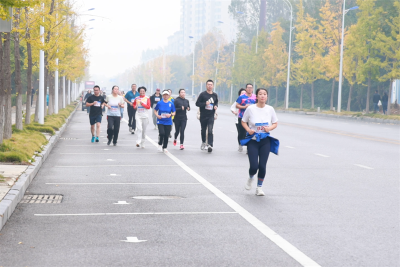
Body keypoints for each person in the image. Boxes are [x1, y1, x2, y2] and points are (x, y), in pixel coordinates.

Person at [240, 88, 279, 196]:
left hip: (265, 140)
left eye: (265, 94)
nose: (262, 96)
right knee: (254, 166)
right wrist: (248, 130)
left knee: (262, 166)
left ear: (267, 96)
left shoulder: (270, 109)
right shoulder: (251, 109)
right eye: (260, 94)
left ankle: (259, 187)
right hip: (253, 140)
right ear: (256, 96)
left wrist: (269, 128)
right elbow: (243, 121)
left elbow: (275, 123)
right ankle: (250, 177)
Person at [196, 79, 218, 153]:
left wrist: (215, 106)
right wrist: (205, 104)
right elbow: (197, 103)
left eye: (211, 85)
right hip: (203, 115)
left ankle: (210, 145)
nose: (210, 86)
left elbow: (216, 103)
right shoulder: (202, 94)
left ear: (213, 86)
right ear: (206, 86)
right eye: (208, 84)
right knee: (203, 130)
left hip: (211, 115)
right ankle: (203, 141)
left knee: (210, 130)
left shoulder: (215, 95)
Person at [236, 83, 256, 152]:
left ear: (252, 89)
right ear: (246, 89)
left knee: (250, 132)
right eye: (248, 88)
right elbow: (237, 105)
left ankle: (249, 148)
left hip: (252, 118)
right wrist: (244, 107)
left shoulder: (255, 97)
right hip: (242, 117)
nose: (250, 89)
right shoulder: (241, 97)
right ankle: (240, 144)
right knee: (242, 132)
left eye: (251, 88)